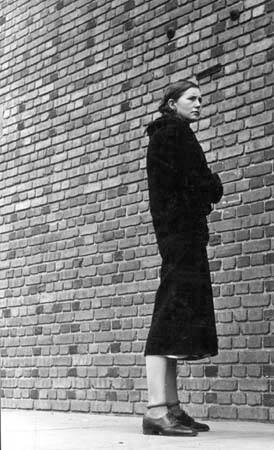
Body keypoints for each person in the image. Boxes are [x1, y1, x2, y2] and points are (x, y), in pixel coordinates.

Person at [143, 80, 224, 436]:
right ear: (171, 103)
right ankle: (156, 411)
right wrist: (214, 183)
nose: (199, 104)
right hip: (181, 237)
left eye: (201, 99)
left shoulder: (168, 135)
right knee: (167, 317)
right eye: (191, 98)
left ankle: (171, 408)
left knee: (174, 318)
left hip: (180, 235)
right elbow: (201, 183)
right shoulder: (175, 134)